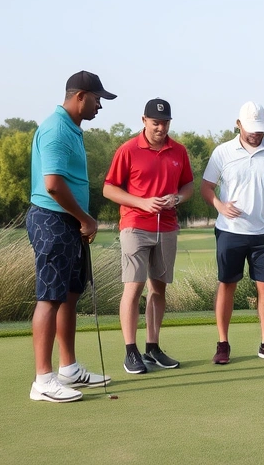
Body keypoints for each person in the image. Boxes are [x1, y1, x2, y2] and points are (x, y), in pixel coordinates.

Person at [27, 70, 115, 402]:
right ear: (79, 96)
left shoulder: (73, 129)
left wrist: (80, 221)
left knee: (69, 294)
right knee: (50, 297)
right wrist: (86, 219)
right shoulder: (56, 130)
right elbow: (52, 184)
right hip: (52, 219)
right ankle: (43, 380)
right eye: (97, 99)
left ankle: (68, 368)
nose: (100, 106)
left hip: (68, 222)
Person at [103, 98, 195, 374]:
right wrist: (140, 202)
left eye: (165, 122)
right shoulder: (128, 150)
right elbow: (109, 189)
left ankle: (152, 347)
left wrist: (177, 198)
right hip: (135, 224)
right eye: (156, 123)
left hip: (166, 226)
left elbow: (188, 185)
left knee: (159, 288)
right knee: (134, 286)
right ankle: (130, 351)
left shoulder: (178, 150)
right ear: (144, 121)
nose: (161, 128)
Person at [200, 102, 264, 364]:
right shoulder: (222, 152)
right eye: (251, 129)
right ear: (238, 124)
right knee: (227, 284)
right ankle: (223, 343)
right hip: (230, 231)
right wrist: (220, 206)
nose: (255, 134)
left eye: (260, 129)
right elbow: (206, 187)